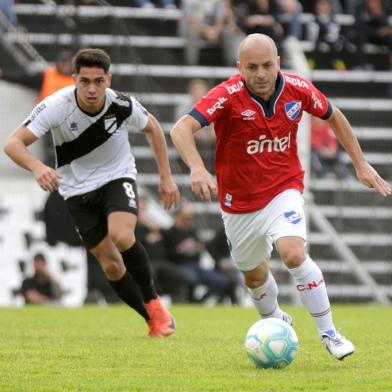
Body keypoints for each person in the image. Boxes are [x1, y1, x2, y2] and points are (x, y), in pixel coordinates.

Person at [170, 33, 391, 359]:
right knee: (254, 274)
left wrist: (360, 164)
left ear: (278, 63)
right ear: (239, 67)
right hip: (239, 203)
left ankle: (330, 334)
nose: (260, 74)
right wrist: (197, 168)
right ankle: (274, 320)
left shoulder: (298, 89)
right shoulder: (227, 95)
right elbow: (181, 128)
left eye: (267, 65)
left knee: (293, 254)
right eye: (252, 67)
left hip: (283, 189)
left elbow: (334, 116)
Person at [3, 48, 180, 338]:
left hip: (116, 176)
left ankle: (153, 300)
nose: (92, 88)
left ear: (108, 80)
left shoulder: (121, 104)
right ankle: (150, 319)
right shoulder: (55, 106)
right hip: (76, 191)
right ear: (74, 79)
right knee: (110, 265)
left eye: (98, 81)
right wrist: (37, 167)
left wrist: (166, 177)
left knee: (122, 236)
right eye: (85, 81)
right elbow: (12, 143)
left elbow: (154, 129)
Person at [162, 199, 230, 303]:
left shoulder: (192, 231)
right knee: (191, 278)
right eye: (185, 218)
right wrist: (180, 249)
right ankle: (190, 300)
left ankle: (199, 302)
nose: (188, 221)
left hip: (196, 266)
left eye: (189, 219)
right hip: (178, 265)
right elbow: (166, 254)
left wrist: (198, 247)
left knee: (221, 281)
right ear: (177, 216)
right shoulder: (168, 233)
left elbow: (201, 246)